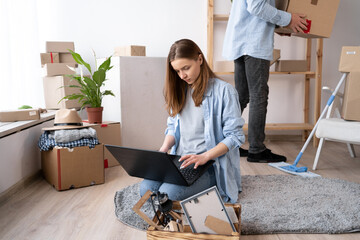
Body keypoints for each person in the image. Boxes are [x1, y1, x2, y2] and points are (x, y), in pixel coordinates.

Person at [140, 39, 245, 203]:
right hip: (179, 161)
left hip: (209, 165)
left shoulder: (225, 91)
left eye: (186, 68)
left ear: (200, 59)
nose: (182, 75)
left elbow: (235, 136)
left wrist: (204, 157)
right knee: (145, 190)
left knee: (168, 195)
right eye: (177, 71)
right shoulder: (180, 90)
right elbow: (172, 128)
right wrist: (163, 150)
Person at [222, 0, 308, 163]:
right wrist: (288, 19)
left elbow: (251, 10)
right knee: (258, 97)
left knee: (242, 97)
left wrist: (276, 27)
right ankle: (257, 149)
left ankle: (227, 143)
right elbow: (257, 7)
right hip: (254, 45)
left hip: (241, 41)